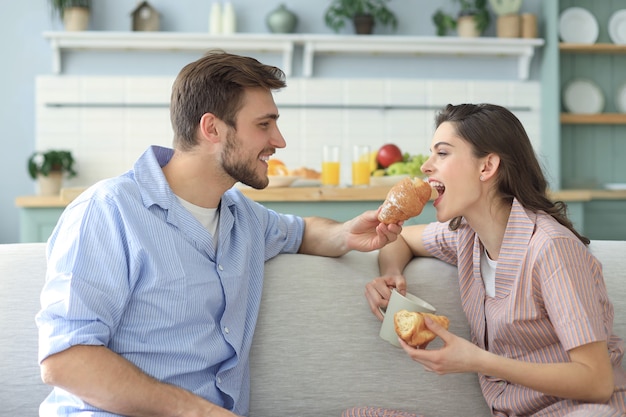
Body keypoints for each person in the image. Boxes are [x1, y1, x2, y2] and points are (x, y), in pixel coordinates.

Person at [35, 50, 402, 417]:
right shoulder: (108, 210)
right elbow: (65, 359)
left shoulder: (243, 217)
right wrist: (201, 412)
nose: (279, 140)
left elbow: (303, 232)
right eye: (264, 125)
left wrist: (345, 234)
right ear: (211, 128)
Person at [345, 104, 626, 417]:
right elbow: (403, 240)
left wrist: (477, 360)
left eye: (442, 153)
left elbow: (597, 381)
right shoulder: (466, 236)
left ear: (487, 166)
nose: (426, 166)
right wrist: (390, 274)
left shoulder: (551, 249)